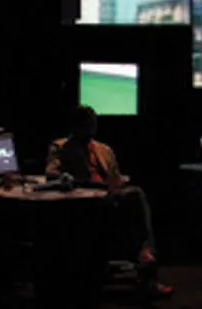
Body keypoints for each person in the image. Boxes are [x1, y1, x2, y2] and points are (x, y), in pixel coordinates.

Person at [46, 105, 173, 299]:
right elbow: (51, 172)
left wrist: (118, 182)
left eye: (92, 124)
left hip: (110, 194)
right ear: (75, 126)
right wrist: (72, 179)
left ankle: (146, 258)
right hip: (85, 198)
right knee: (135, 199)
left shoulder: (104, 150)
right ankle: (145, 262)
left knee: (135, 198)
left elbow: (115, 175)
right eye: (85, 124)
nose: (90, 129)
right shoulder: (61, 147)